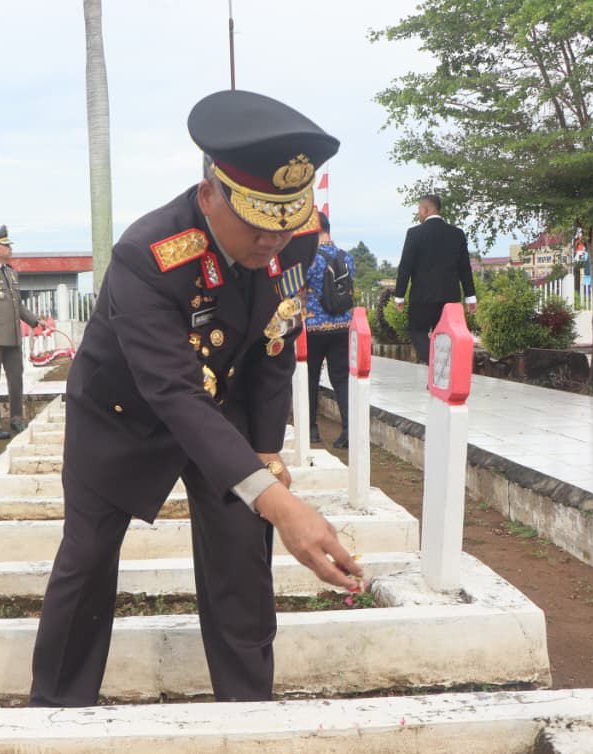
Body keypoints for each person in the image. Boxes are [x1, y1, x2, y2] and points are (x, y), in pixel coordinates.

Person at [29, 90, 364, 707]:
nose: (272, 241)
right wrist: (284, 507)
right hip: (123, 415)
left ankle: (247, 707)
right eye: (257, 224)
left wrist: (265, 449)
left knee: (242, 558)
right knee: (88, 556)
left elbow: (274, 342)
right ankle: (57, 708)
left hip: (224, 409)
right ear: (210, 195)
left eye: (284, 223)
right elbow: (174, 393)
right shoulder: (147, 256)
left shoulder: (292, 239)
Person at [0, 225, 45, 438]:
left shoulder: (11, 273)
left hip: (12, 338)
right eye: (6, 246)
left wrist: (35, 322)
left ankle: (16, 419)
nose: (10, 249)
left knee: (16, 379)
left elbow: (17, 305)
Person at [392, 194, 476, 362]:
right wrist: (470, 297)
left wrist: (399, 296)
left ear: (426, 209)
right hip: (450, 298)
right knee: (445, 336)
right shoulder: (457, 234)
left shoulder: (414, 233)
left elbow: (405, 266)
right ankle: (442, 370)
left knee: (416, 331)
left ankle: (433, 363)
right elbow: (465, 268)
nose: (418, 213)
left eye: (419, 209)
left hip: (422, 297)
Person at [301, 213, 354, 447]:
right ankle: (349, 430)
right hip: (342, 325)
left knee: (310, 377)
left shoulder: (309, 258)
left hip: (313, 327)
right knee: (341, 379)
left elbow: (297, 288)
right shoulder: (347, 257)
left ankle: (311, 429)